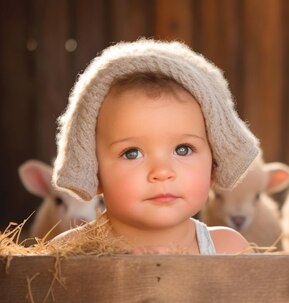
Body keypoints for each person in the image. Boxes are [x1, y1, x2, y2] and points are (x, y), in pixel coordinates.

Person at [51, 39, 260, 254]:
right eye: (132, 153)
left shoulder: (229, 250)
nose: (162, 172)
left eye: (183, 149)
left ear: (214, 162)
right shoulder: (69, 254)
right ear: (93, 168)